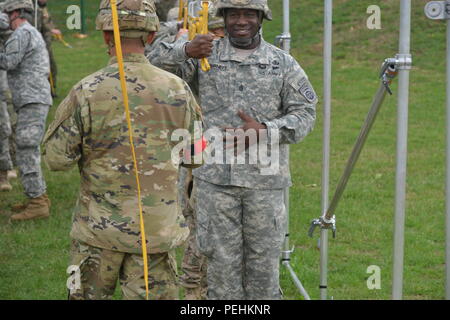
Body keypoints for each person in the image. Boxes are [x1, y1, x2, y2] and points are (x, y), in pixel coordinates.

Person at [149, 0, 317, 300]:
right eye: (234, 14)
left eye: (249, 14)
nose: (242, 21)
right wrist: (185, 49)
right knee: (221, 269)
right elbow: (149, 67)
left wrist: (265, 130)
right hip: (215, 183)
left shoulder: (282, 63)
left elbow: (305, 113)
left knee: (263, 269)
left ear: (261, 18)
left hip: (264, 184)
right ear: (223, 18)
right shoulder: (204, 56)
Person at [43, 0, 203, 300]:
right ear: (152, 36)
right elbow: (197, 156)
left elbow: (56, 159)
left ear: (106, 36)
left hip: (97, 233)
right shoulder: (179, 90)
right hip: (155, 234)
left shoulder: (86, 91)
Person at [0, 0, 52, 221]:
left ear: (15, 13)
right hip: (31, 98)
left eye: (6, 13)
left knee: (26, 148)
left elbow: (8, 62)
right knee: (27, 147)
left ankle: (37, 202)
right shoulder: (26, 32)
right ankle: (37, 196)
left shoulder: (23, 33)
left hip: (33, 99)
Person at [34, 0, 59, 97]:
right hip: (40, 44)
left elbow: (48, 22)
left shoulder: (43, 8)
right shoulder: (34, 10)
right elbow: (41, 25)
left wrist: (52, 30)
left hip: (47, 43)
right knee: (44, 69)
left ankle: (51, 90)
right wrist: (51, 29)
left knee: (52, 67)